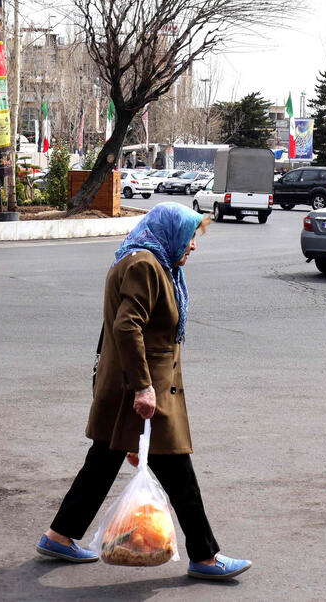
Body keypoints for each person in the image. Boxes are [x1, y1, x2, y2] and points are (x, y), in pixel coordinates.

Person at [36, 202, 251, 581]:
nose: (193, 247)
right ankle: (205, 557)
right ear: (170, 233)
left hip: (132, 389)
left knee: (102, 464)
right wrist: (144, 388)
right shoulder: (145, 266)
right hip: (140, 393)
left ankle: (59, 535)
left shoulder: (152, 262)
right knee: (179, 471)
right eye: (190, 238)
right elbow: (125, 327)